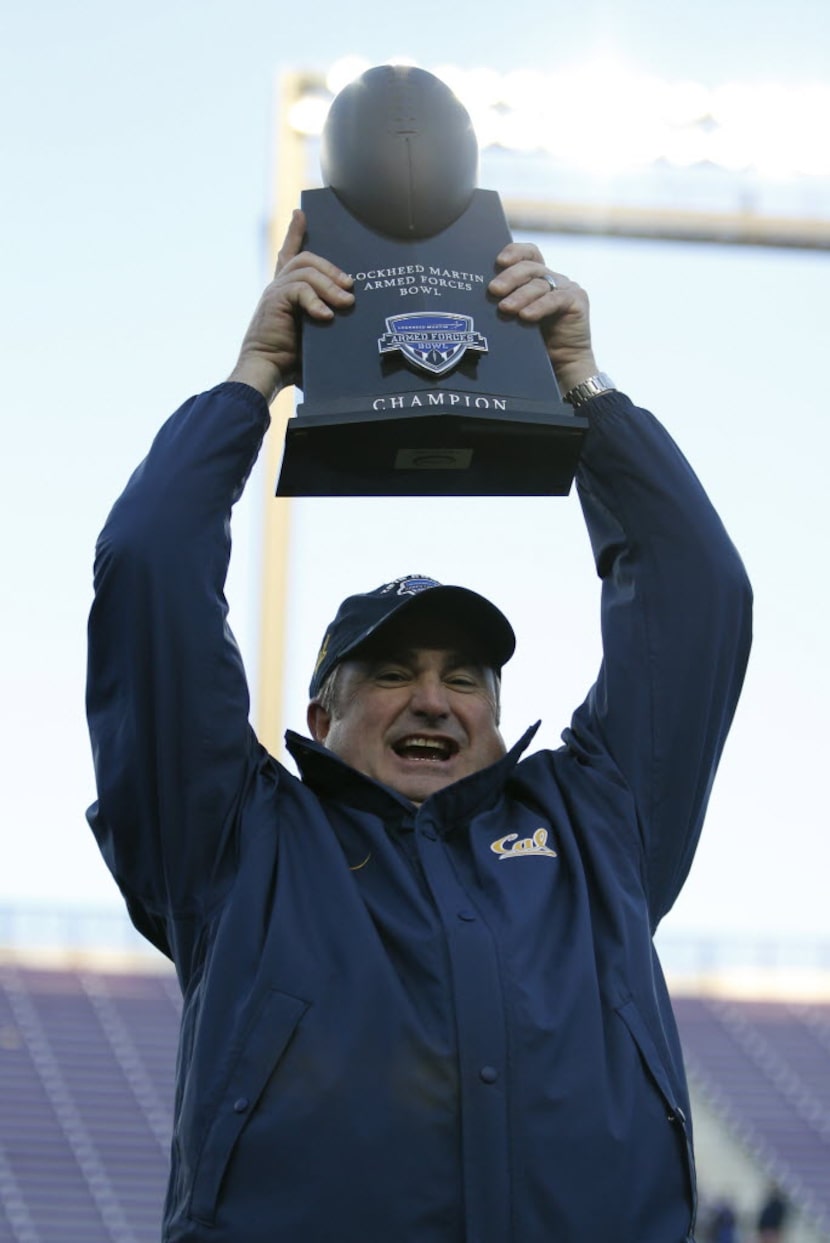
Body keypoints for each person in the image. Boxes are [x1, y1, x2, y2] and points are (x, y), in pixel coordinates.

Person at [85, 208, 752, 1243]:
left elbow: (695, 590)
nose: (434, 699)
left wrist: (584, 389)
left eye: (465, 677)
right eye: (390, 673)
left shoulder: (596, 828)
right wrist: (254, 377)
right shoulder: (233, 845)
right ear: (320, 714)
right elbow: (148, 571)